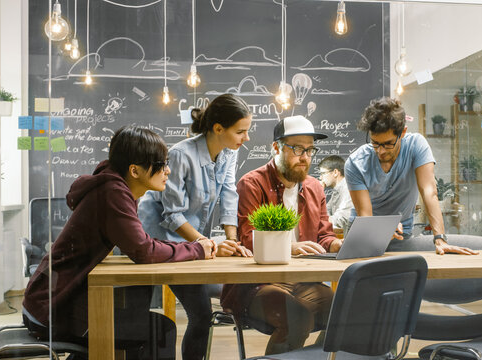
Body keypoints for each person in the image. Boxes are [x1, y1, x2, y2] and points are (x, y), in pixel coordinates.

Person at [22, 126, 216, 360]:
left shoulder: (113, 187)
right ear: (134, 170)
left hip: (49, 303)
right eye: (161, 164)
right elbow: (143, 251)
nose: (168, 171)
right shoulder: (113, 192)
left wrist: (194, 247)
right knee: (159, 331)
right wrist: (196, 248)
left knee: (148, 322)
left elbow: (140, 244)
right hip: (53, 310)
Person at [137, 93, 253, 360]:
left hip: (191, 242)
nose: (246, 139)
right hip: (160, 240)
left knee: (204, 313)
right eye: (241, 132)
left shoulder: (228, 153)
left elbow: (227, 193)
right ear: (218, 129)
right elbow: (172, 214)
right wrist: (207, 244)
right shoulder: (180, 155)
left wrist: (231, 239)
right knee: (199, 314)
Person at [221, 115, 343, 355]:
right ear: (276, 147)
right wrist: (290, 247)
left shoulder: (315, 187)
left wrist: (338, 244)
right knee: (297, 318)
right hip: (257, 286)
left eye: (310, 150)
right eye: (297, 148)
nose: (305, 157)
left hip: (303, 282)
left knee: (346, 311)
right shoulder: (252, 184)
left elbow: (323, 236)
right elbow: (248, 240)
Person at [345, 97, 477, 255]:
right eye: (375, 143)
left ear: (403, 133)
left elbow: (429, 191)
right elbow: (365, 216)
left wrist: (440, 239)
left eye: (388, 143)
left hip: (402, 236)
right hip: (365, 236)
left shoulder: (416, 146)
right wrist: (383, 228)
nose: (380, 151)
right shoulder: (355, 163)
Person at [318, 155, 353, 232]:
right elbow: (325, 212)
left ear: (335, 172)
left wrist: (318, 221)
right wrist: (319, 193)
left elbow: (341, 218)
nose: (320, 178)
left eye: (323, 173)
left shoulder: (348, 188)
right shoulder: (336, 190)